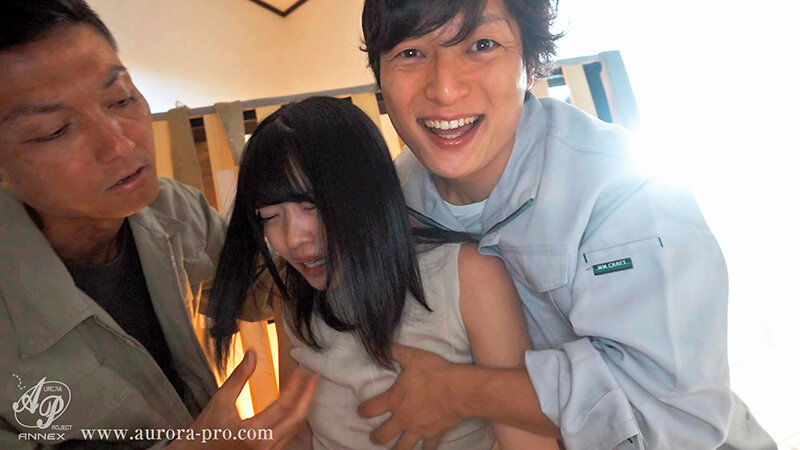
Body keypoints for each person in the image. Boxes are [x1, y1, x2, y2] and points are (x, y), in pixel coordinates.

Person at [358, 0, 777, 449]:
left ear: (530, 62)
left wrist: (458, 391)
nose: (444, 89)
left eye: (481, 45)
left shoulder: (623, 189)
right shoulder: (386, 206)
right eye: (410, 53)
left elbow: (674, 413)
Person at [0, 1, 316, 448]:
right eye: (54, 130)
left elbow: (274, 285)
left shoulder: (172, 210)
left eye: (121, 98)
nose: (119, 143)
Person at [207, 96, 560, 449]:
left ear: (366, 190)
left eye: (312, 206)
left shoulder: (467, 274)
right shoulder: (293, 293)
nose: (293, 238)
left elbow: (526, 437)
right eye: (270, 216)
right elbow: (300, 431)